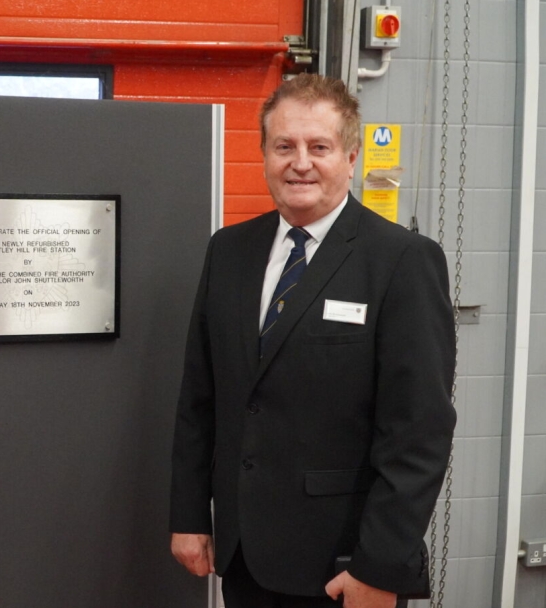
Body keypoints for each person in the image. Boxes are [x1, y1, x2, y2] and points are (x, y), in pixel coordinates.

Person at [169, 74, 456, 608]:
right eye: (284, 146)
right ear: (264, 155)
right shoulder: (229, 251)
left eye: (318, 147)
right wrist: (189, 516)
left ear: (350, 157)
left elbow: (419, 434)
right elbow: (199, 399)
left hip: (341, 568)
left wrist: (379, 567)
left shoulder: (401, 261)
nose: (300, 162)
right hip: (243, 557)